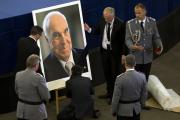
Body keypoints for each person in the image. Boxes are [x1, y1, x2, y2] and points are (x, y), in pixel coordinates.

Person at [84, 7, 126, 102]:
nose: (105, 19)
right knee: (107, 73)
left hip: (115, 54)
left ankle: (114, 97)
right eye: (104, 17)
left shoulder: (120, 24)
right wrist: (89, 29)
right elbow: (97, 30)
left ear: (113, 16)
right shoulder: (103, 20)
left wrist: (123, 54)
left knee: (114, 75)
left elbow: (124, 41)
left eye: (107, 18)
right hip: (104, 52)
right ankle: (109, 93)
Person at [43, 11, 87, 82]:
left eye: (66, 31)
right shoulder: (44, 70)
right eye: (56, 35)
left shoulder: (85, 55)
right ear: (47, 40)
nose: (64, 41)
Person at [125, 3, 163, 81]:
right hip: (135, 57)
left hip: (147, 56)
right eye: (135, 13)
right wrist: (132, 46)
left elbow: (156, 37)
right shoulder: (130, 24)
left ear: (145, 11)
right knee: (135, 80)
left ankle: (143, 93)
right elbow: (127, 39)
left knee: (145, 79)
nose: (137, 15)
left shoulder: (152, 22)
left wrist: (159, 46)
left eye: (139, 13)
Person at [15, 54, 50, 120]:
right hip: (36, 113)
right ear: (36, 65)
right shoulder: (39, 78)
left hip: (21, 111)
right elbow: (46, 96)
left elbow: (17, 91)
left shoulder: (18, 75)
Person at [111, 54, 147, 120]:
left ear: (125, 63)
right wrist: (141, 106)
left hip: (122, 112)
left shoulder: (120, 79)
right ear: (135, 63)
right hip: (136, 110)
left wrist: (114, 110)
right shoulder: (142, 77)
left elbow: (116, 97)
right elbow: (144, 94)